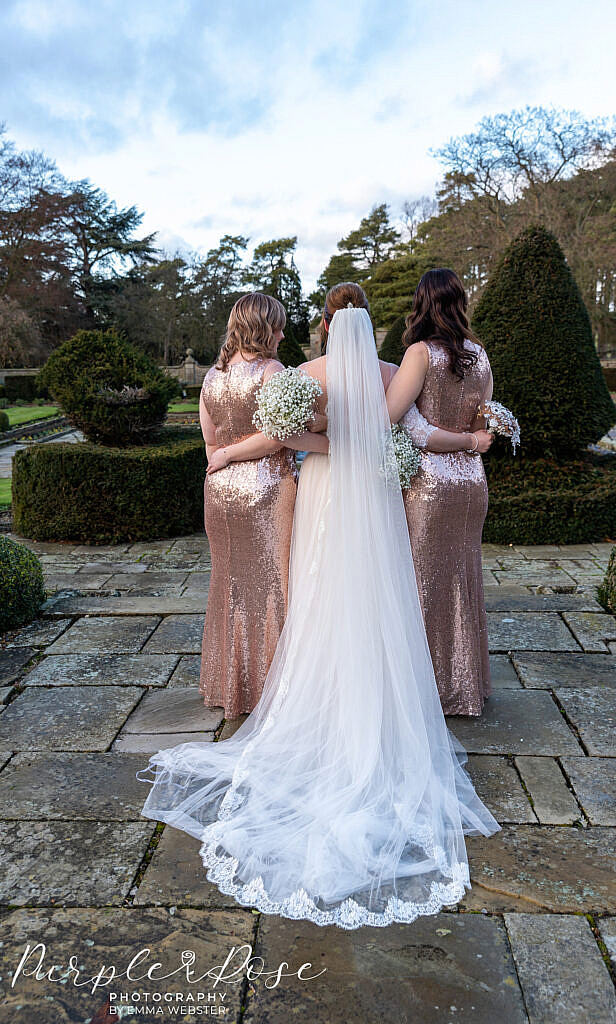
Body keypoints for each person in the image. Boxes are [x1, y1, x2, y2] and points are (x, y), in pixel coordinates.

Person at [137, 299, 499, 930]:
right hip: (378, 491)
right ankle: (376, 691)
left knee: (318, 587)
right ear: (366, 325)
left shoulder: (307, 373)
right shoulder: (391, 370)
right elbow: (405, 425)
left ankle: (321, 688)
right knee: (379, 585)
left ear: (328, 324)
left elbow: (287, 435)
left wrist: (326, 442)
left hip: (329, 484)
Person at [198, 292, 327, 717]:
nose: (284, 333)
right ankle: (274, 691)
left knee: (229, 585)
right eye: (279, 326)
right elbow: (278, 437)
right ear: (262, 328)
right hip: (266, 489)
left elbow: (212, 443)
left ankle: (230, 686)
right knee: (274, 586)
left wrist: (225, 458)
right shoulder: (272, 371)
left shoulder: (211, 377)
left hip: (219, 491)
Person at [385, 268, 494, 716]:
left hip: (430, 484)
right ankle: (465, 685)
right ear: (460, 302)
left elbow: (391, 416)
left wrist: (421, 425)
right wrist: (472, 442)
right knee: (462, 580)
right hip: (471, 482)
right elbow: (483, 424)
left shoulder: (420, 354)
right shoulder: (481, 355)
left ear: (422, 303)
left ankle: (425, 690)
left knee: (424, 582)